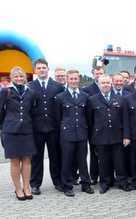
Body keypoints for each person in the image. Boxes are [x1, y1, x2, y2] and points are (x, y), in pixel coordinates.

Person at [86, 75, 131, 194]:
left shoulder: (120, 99)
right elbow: (90, 121)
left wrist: (126, 136)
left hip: (118, 135)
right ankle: (105, 183)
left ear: (111, 84)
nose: (105, 85)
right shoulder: (92, 100)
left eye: (107, 83)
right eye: (103, 83)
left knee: (119, 161)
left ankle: (122, 182)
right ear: (99, 85)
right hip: (100, 136)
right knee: (104, 161)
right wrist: (92, 138)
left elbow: (125, 119)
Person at [0, 67, 37, 200]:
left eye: (21, 76)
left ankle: (26, 187)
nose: (19, 79)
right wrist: (2, 127)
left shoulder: (30, 92)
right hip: (11, 131)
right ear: (12, 78)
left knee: (27, 159)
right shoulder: (5, 91)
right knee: (15, 161)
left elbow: (32, 110)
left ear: (25, 78)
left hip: (26, 130)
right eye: (16, 76)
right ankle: (18, 188)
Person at [54, 69, 94, 197]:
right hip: (67, 134)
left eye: (75, 78)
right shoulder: (60, 97)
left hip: (82, 132)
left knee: (82, 160)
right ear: (67, 79)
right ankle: (68, 185)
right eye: (71, 79)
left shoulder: (85, 96)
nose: (73, 81)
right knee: (67, 160)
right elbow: (58, 117)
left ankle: (85, 184)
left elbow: (88, 116)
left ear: (79, 79)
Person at [29, 58, 64, 195]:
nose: (42, 70)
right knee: (36, 158)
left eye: (44, 67)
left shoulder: (57, 86)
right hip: (36, 128)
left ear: (48, 69)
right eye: (39, 68)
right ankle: (35, 184)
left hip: (54, 127)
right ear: (35, 70)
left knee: (56, 157)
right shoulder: (30, 86)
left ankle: (58, 182)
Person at [82, 65, 105, 185]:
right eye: (97, 74)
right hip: (94, 128)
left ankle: (106, 175)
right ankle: (94, 176)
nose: (99, 75)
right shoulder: (87, 90)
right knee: (94, 153)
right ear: (93, 75)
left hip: (106, 127)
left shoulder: (108, 87)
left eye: (101, 73)